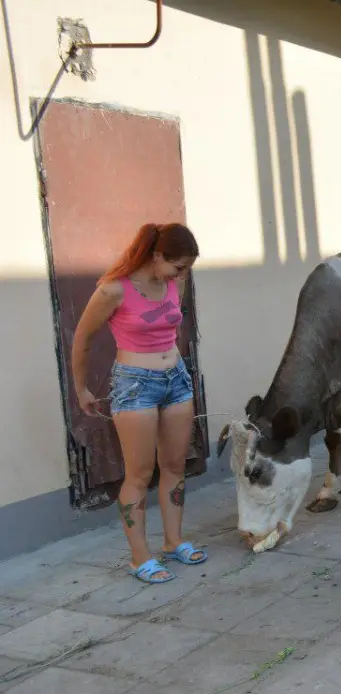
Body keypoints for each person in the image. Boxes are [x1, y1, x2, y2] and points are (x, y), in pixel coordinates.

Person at [71, 222, 206, 583]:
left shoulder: (171, 284)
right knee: (140, 473)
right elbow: (82, 340)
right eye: (179, 266)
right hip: (134, 386)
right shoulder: (113, 290)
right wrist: (81, 388)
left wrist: (172, 365)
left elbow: (170, 330)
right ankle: (139, 557)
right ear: (157, 255)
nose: (183, 274)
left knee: (175, 464)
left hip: (175, 379)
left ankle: (173, 541)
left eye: (187, 267)